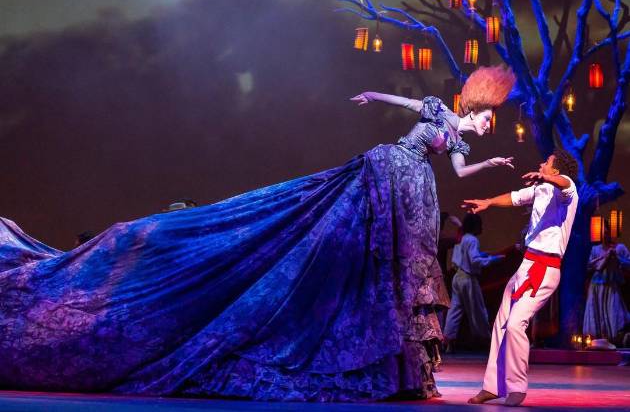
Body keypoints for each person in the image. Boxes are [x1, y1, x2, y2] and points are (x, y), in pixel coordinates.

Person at [0, 66, 515, 402]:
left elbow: (461, 173)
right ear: (474, 108)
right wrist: (370, 93)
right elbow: (401, 105)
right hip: (389, 171)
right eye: (489, 118)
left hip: (417, 189)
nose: (489, 125)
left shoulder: (460, 144)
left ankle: (399, 366)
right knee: (349, 237)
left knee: (400, 268)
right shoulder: (436, 111)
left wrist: (489, 164)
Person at [464, 149, 579, 407]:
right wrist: (488, 202)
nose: (542, 163)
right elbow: (514, 197)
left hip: (544, 268)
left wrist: (545, 177)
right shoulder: (540, 190)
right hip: (527, 264)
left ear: (556, 170)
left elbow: (564, 182)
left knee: (516, 324)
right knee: (502, 323)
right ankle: (492, 387)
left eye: (547, 162)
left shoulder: (567, 192)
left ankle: (516, 387)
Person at [442, 213, 504, 348]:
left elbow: (464, 257)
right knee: (478, 310)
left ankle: (448, 339)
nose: (482, 227)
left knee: (455, 309)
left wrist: (483, 255)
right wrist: (492, 260)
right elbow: (474, 260)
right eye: (480, 225)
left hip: (457, 277)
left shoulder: (463, 238)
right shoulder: (472, 240)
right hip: (467, 279)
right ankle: (486, 340)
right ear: (475, 226)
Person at [582, 220, 630, 344]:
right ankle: (598, 341)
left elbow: (628, 263)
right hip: (597, 286)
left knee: (614, 312)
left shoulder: (619, 248)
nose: (605, 234)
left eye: (607, 231)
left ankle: (615, 339)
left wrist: (617, 258)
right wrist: (604, 258)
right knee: (597, 314)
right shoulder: (595, 249)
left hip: (611, 286)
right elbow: (590, 266)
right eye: (602, 232)